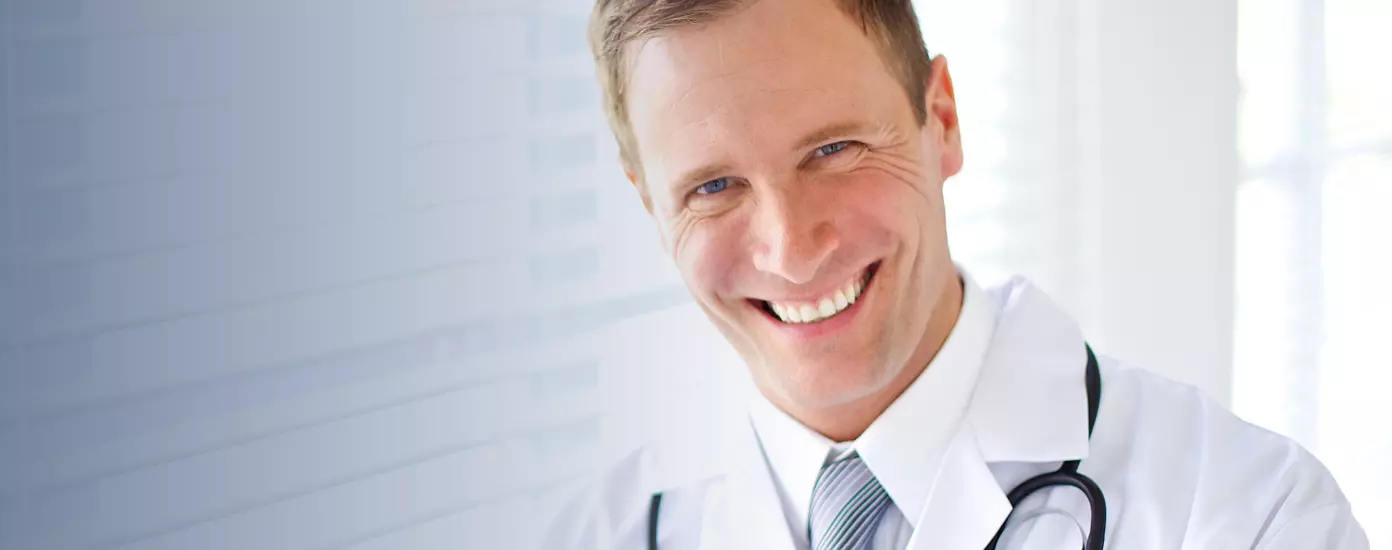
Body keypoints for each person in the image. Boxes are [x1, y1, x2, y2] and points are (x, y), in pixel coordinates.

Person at [542, 0, 1371, 548]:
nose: (791, 249)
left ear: (940, 119)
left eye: (833, 149)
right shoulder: (597, 534)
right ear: (649, 205)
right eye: (714, 187)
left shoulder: (1249, 516)